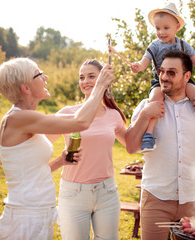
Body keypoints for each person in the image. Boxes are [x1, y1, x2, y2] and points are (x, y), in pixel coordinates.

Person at [0, 58, 114, 240]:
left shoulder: (26, 119)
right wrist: (100, 86)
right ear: (26, 88)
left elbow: (32, 172)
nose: (46, 77)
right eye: (39, 74)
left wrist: (60, 161)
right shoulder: (18, 119)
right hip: (26, 218)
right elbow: (80, 122)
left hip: (37, 213)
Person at [126, 50, 195, 240]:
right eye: (162, 72)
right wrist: (144, 115)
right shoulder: (147, 105)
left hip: (192, 199)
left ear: (187, 76)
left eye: (171, 73)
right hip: (156, 198)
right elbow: (131, 146)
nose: (164, 77)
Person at [128, 2, 195, 153]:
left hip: (183, 80)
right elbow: (144, 62)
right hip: (159, 81)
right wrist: (138, 66)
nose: (161, 32)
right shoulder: (155, 46)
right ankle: (149, 136)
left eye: (166, 28)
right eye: (157, 28)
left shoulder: (183, 45)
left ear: (176, 27)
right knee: (155, 99)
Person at [47, 59, 127, 240]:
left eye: (91, 76)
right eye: (81, 77)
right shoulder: (68, 114)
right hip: (74, 193)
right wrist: (58, 161)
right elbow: (40, 145)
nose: (85, 81)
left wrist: (147, 115)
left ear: (103, 79)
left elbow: (131, 145)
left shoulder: (113, 115)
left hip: (107, 193)